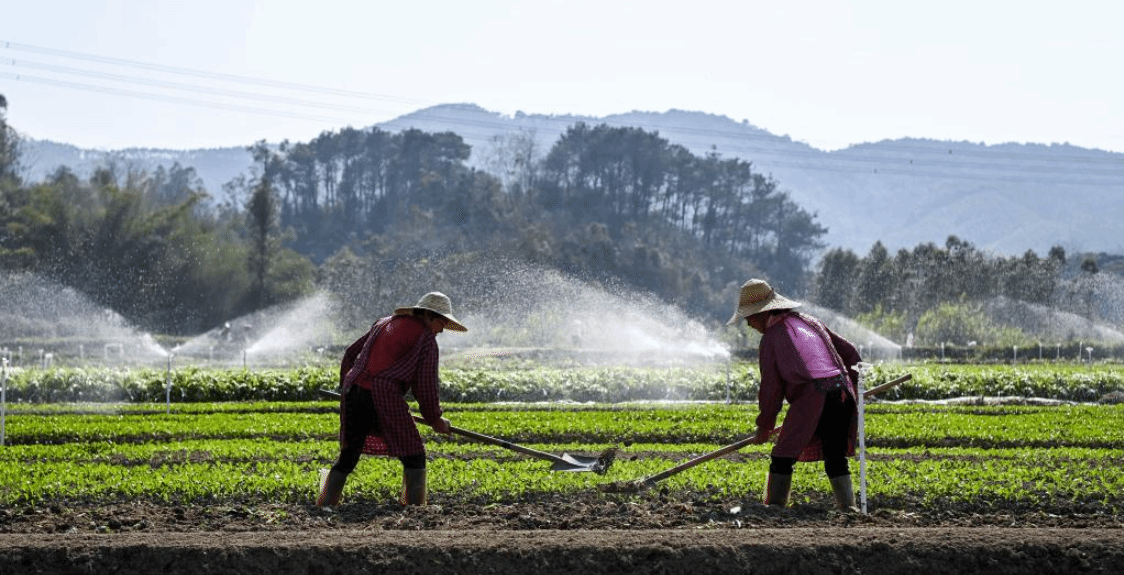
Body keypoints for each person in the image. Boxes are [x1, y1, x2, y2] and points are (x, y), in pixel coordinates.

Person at [317, 291, 467, 507]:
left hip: (353, 390)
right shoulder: (426, 339)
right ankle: (416, 510)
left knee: (349, 454)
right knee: (414, 454)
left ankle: (326, 505)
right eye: (442, 323)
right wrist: (435, 420)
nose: (442, 330)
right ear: (430, 316)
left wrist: (347, 388)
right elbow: (425, 387)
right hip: (383, 393)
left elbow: (351, 353)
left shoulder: (383, 322)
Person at [728, 279, 862, 511]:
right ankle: (848, 508)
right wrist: (854, 389)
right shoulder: (811, 322)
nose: (749, 324)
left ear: (763, 313)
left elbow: (771, 389)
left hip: (811, 395)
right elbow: (850, 354)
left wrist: (764, 426)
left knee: (782, 455)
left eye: (749, 317)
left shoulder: (771, 339)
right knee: (835, 457)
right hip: (841, 392)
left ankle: (775, 508)